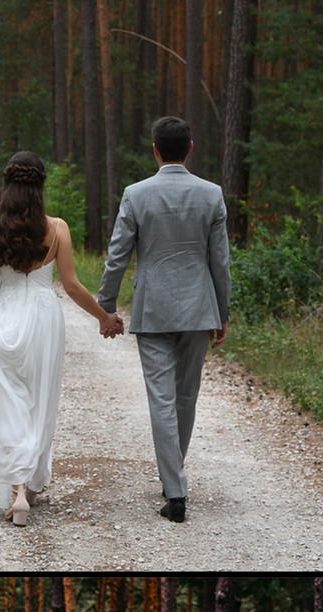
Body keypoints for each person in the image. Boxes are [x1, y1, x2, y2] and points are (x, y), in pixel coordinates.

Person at [0, 151, 123, 527]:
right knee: (37, 403)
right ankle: (23, 487)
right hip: (43, 318)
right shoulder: (57, 228)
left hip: (1, 318)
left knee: (8, 403)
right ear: (41, 184)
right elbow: (72, 286)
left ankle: (17, 488)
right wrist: (104, 317)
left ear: (7, 184)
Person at [97, 116, 231, 523]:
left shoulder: (136, 195)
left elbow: (118, 252)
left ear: (155, 150)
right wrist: (222, 312)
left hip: (153, 308)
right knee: (186, 397)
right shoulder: (211, 194)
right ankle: (174, 478)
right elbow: (220, 261)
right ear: (189, 147)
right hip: (197, 309)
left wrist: (107, 302)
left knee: (162, 399)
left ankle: (174, 488)